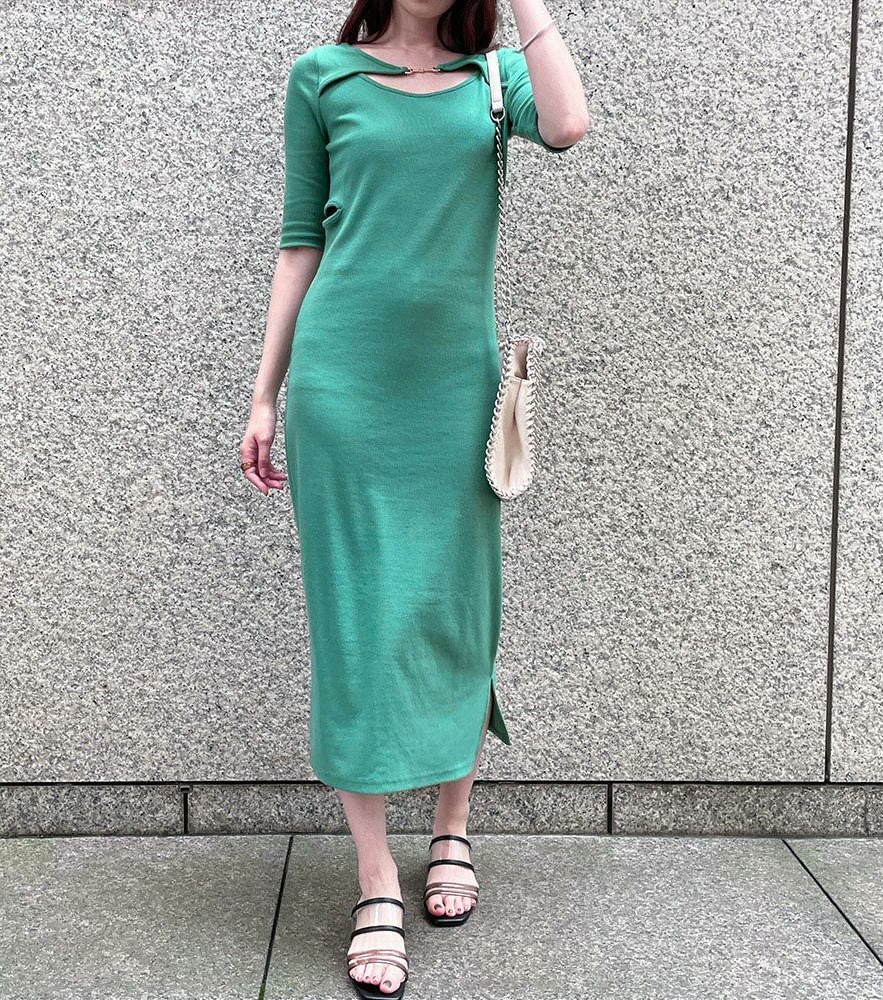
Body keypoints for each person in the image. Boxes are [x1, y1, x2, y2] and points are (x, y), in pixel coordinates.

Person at [241, 0, 587, 995]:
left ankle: (452, 829)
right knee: (358, 624)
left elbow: (569, 125)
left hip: (453, 395)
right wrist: (264, 393)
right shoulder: (322, 76)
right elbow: (299, 242)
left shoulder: (493, 79)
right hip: (342, 388)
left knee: (452, 611)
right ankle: (374, 878)